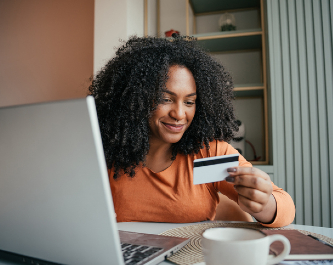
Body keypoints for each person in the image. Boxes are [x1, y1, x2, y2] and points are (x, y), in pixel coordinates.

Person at [89, 35, 295, 228]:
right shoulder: (107, 156)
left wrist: (265, 204)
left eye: (189, 102)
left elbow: (286, 207)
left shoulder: (208, 155)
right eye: (165, 99)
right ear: (136, 99)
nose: (179, 114)